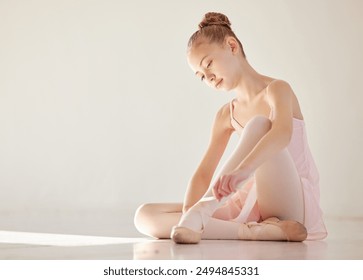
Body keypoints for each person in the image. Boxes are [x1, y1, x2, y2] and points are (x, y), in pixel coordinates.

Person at [134, 12, 327, 244]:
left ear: (232, 46)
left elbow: (282, 134)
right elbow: (204, 172)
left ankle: (203, 215)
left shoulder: (277, 89)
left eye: (209, 64)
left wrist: (242, 171)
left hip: (291, 205)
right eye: (201, 76)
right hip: (249, 209)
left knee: (260, 124)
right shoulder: (226, 115)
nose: (209, 78)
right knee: (145, 216)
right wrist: (188, 212)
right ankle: (252, 231)